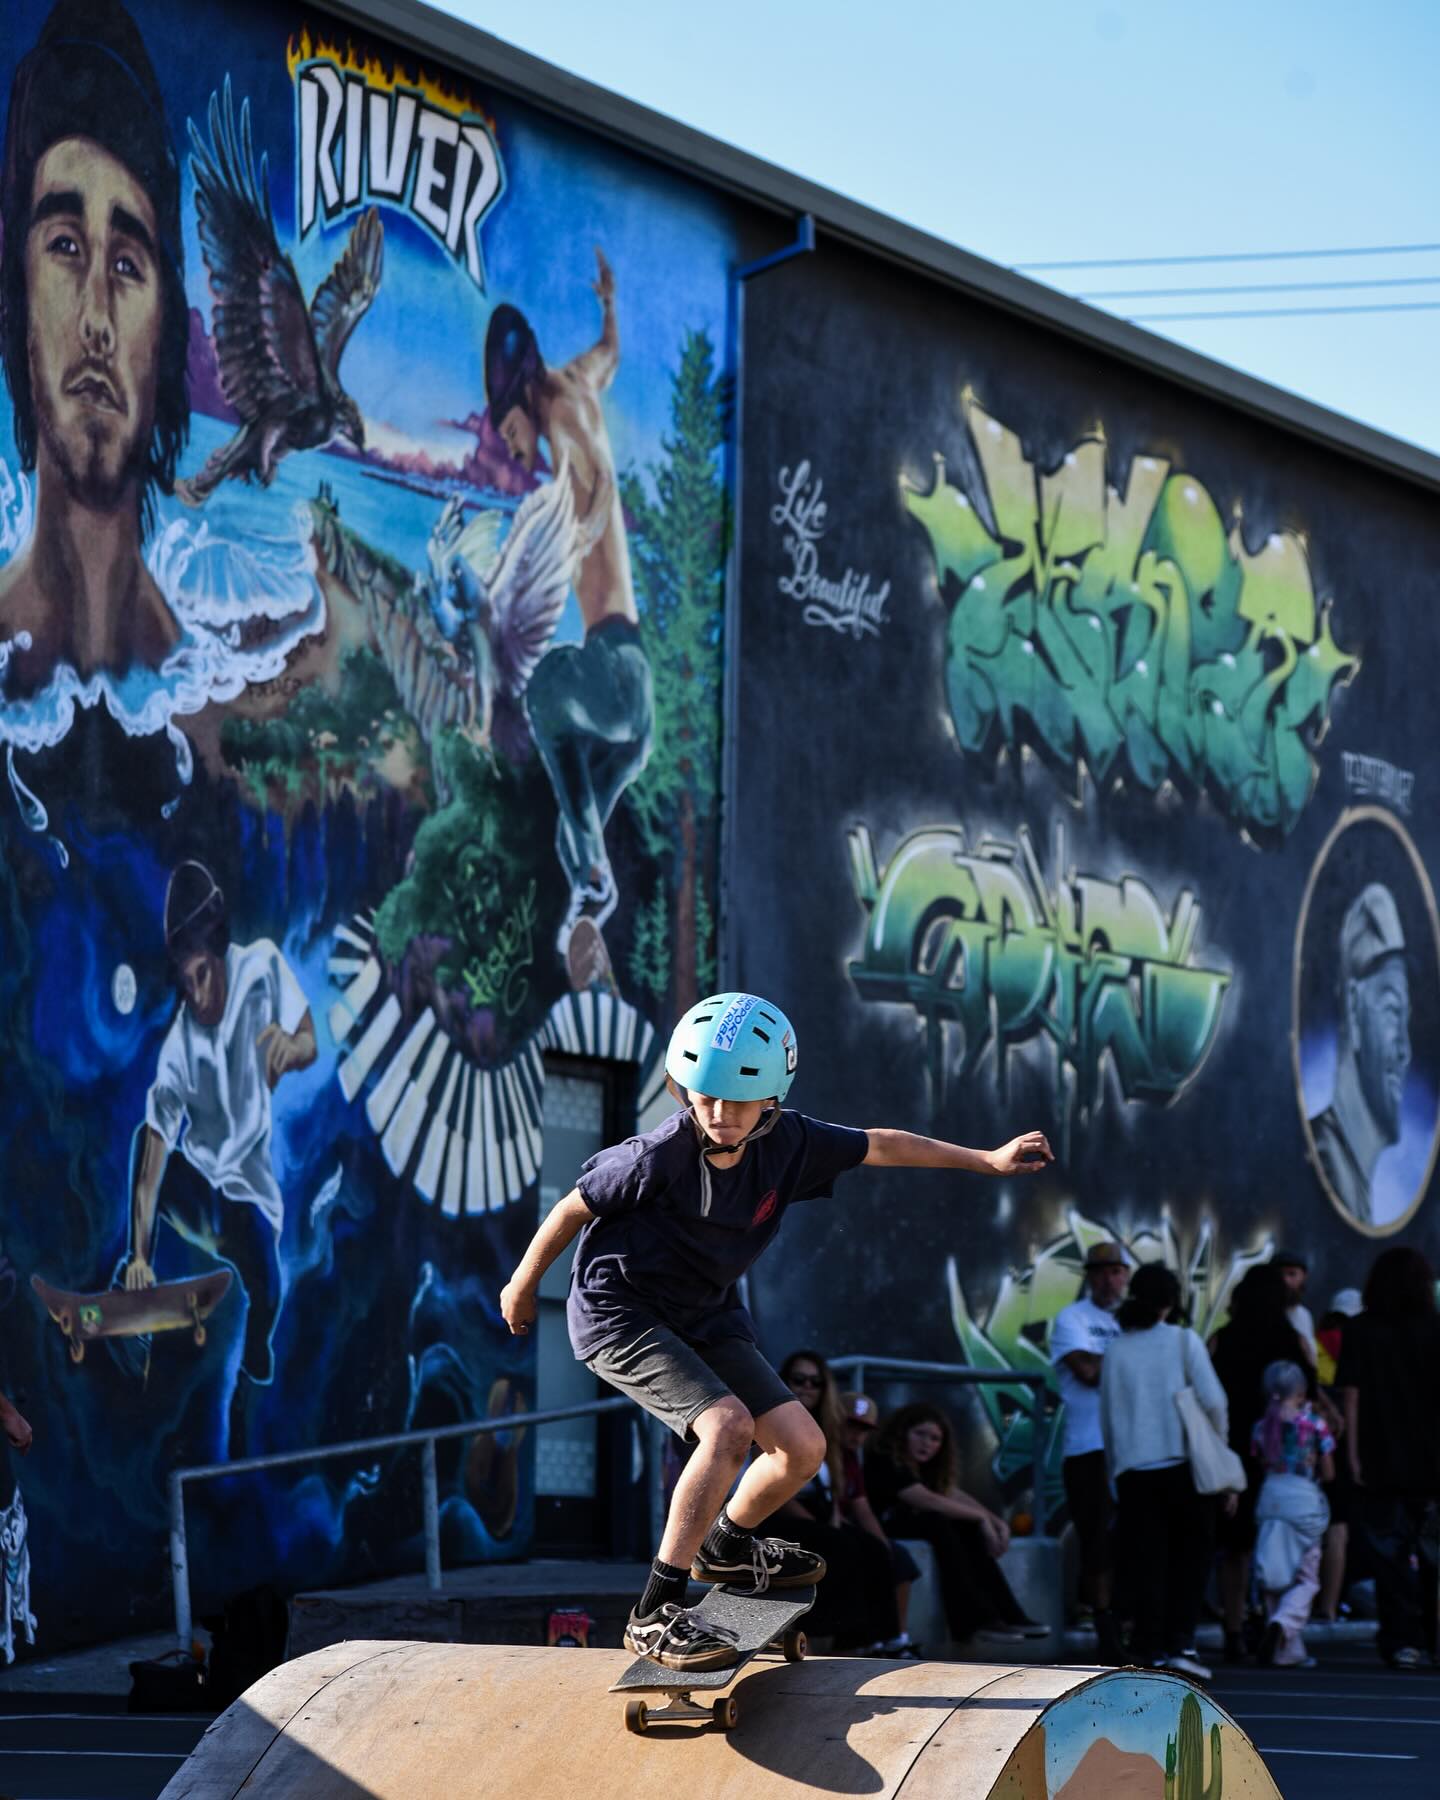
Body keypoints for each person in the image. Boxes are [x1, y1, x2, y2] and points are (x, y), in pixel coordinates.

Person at [499, 990, 1053, 1671]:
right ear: (684, 1088)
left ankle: (727, 1542)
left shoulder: (794, 1143)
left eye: (737, 1101)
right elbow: (568, 1210)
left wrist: (986, 1160)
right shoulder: (657, 1156)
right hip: (623, 1316)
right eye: (704, 1098)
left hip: (705, 1315)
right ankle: (652, 1615)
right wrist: (522, 1286)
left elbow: (882, 1144)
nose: (719, 1115)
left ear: (771, 1099)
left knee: (802, 1446)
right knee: (728, 1428)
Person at [0, 0, 190, 699]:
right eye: (66, 247)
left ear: (165, 324)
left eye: (129, 263)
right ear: (18, 291)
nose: (97, 320)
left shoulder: (205, 683)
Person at [485, 251, 652, 987]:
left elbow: (584, 467)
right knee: (569, 826)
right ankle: (586, 939)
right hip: (630, 714)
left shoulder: (559, 430)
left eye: (507, 432)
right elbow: (611, 353)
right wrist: (610, 303)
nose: (513, 449)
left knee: (547, 687)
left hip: (615, 674)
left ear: (521, 396)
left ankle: (592, 874)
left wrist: (579, 518)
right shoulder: (579, 382)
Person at [123, 861, 316, 1455]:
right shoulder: (180, 1043)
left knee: (270, 1292)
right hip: (202, 1192)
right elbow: (155, 1153)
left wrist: (293, 1045)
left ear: (218, 951)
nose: (198, 995)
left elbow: (308, 1038)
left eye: (203, 975)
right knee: (144, 1143)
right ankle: (131, 1288)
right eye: (186, 985)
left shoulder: (261, 965)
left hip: (251, 1201)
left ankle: (254, 1359)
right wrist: (138, 1255)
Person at [1100, 1262, 1230, 1680]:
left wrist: (1114, 1474)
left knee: (1147, 1561)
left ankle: (1148, 1646)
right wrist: (1220, 1449)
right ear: (1172, 1300)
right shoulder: (1183, 1340)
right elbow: (1214, 1401)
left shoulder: (1117, 1349)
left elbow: (1108, 1417)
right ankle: (1182, 1645)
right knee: (1191, 1560)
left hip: (1133, 1470)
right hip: (1183, 1467)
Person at [863, 1401, 1046, 1649]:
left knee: (965, 1527)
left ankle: (1010, 1615)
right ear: (902, 1432)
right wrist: (981, 1519)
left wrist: (993, 1520)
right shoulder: (885, 1459)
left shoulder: (924, 1468)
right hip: (874, 1529)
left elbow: (950, 1493)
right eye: (920, 1434)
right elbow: (925, 1499)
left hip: (906, 1526)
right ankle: (974, 1621)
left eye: (935, 1439)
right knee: (940, 1522)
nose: (927, 1443)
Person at [1335, 1247, 1440, 1669]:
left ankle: (1402, 1640)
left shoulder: (1360, 1330)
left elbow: (1352, 1397)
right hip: (1433, 1458)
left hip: (1381, 1456)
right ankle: (1433, 1636)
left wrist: (1354, 1455)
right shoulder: (1436, 1328)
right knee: (1434, 1553)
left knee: (1389, 1554)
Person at [1208, 1262, 1317, 1662]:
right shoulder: (1292, 1341)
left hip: (1233, 1452)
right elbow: (1311, 1394)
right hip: (1282, 1461)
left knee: (1233, 1548)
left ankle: (1233, 1630)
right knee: (1283, 1546)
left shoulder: (1223, 1340)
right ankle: (1279, 1626)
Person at [758, 1352, 900, 1652]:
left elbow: (839, 1491)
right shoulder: (768, 1420)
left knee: (875, 1548)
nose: (807, 1387)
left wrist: (834, 1522)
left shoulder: (827, 1430)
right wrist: (825, 1528)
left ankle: (884, 1639)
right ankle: (829, 1637)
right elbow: (772, 1491)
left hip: (816, 1514)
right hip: (773, 1512)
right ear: (783, 1380)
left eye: (815, 1382)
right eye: (799, 1380)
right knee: (837, 1546)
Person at [1308, 884, 1411, 1228]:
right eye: (1393, 1012)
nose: (1405, 1051)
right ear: (1353, 1007)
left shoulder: (1350, 1179)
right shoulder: (1324, 1161)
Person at [1049, 1240, 1128, 1656]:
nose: (1109, 1279)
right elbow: (1087, 1371)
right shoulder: (1072, 1318)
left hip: (1131, 1447)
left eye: (1116, 1271)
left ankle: (1125, 1617)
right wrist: (1135, 1353)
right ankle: (1103, 1624)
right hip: (1087, 1444)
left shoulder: (1133, 1322)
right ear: (1089, 1276)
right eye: (1100, 1271)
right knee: (1095, 1537)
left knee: (1129, 1537)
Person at [1251, 1360, 1334, 1668]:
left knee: (1276, 1575)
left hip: (1271, 1498)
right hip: (1304, 1501)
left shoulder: (1261, 1427)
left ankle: (1285, 1651)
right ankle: (1284, 1624)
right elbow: (1329, 1471)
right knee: (1307, 1577)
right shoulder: (1314, 1423)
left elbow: (1261, 1463)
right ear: (1301, 1390)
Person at [838, 1392, 924, 1655]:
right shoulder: (824, 1450)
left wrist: (882, 1544)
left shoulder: (852, 1459)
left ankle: (896, 1639)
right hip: (821, 1530)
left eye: (863, 1430)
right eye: (851, 1425)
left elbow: (862, 1507)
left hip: (846, 1528)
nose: (857, 1435)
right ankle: (858, 1640)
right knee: (862, 1553)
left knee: (897, 1557)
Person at [1272, 1249, 1318, 1367]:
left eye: (1292, 1274)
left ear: (1304, 1277)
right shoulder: (1259, 1313)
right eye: (1279, 1274)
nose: (1285, 1280)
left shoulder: (1304, 1315)